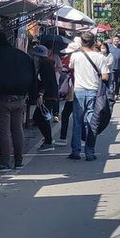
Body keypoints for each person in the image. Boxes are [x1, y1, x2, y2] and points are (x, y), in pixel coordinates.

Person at [0, 31, 36, 170]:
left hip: (1, 98)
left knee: (4, 132)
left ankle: (5, 162)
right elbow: (33, 76)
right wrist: (32, 97)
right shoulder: (22, 55)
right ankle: (19, 160)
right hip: (20, 97)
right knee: (17, 129)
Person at [68, 32, 109, 161]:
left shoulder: (75, 56)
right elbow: (105, 76)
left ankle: (75, 152)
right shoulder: (100, 57)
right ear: (93, 42)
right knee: (92, 123)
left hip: (78, 91)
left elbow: (71, 67)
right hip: (93, 92)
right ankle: (89, 152)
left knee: (77, 122)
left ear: (81, 42)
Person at [30, 44, 58, 152]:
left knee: (40, 117)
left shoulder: (45, 65)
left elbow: (45, 81)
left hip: (48, 96)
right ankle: (47, 139)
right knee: (41, 117)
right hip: (50, 95)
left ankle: (48, 141)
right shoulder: (47, 64)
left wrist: (40, 95)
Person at [57, 40, 80, 147]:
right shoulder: (70, 59)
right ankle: (81, 139)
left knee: (71, 115)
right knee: (73, 115)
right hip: (75, 90)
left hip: (76, 90)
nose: (69, 55)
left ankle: (65, 138)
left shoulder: (76, 61)